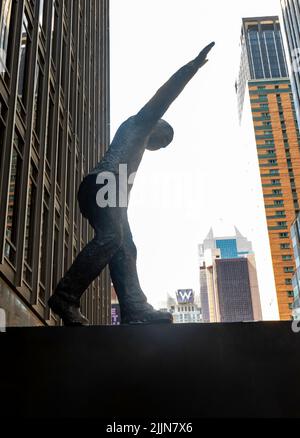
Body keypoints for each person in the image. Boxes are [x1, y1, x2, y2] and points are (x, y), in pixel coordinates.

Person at [48, 42, 215, 326]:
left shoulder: (135, 137)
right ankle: (65, 296)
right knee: (113, 238)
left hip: (109, 190)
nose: (159, 146)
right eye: (163, 138)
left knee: (126, 247)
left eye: (162, 146)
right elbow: (166, 95)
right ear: (156, 123)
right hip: (105, 182)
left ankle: (134, 307)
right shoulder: (141, 122)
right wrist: (192, 68)